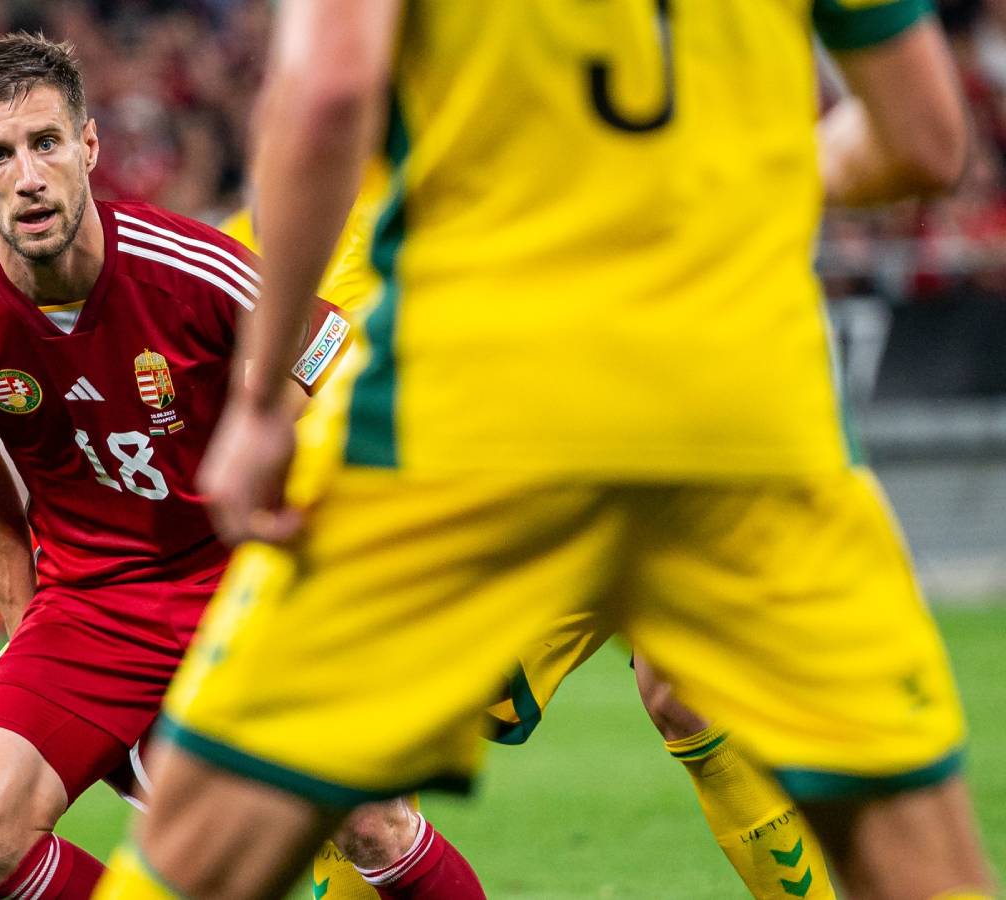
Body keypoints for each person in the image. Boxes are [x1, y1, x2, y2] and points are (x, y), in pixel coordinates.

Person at [98, 1, 995, 898]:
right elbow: (924, 141)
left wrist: (260, 405)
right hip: (736, 405)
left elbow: (327, 89)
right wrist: (739, 180)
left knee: (250, 804)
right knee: (899, 842)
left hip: (477, 412)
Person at [0, 34, 482, 900]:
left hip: (243, 587)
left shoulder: (190, 268)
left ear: (88, 146)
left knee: (370, 821)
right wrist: (25, 615)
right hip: (91, 609)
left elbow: (336, 365)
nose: (26, 176)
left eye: (46, 143)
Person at [224, 186, 835, 900]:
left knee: (687, 692)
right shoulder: (303, 228)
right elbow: (294, 382)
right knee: (356, 756)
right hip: (498, 494)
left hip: (632, 437)